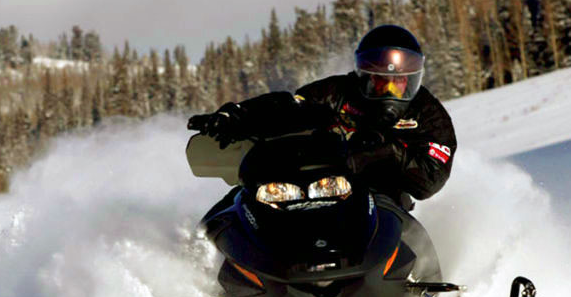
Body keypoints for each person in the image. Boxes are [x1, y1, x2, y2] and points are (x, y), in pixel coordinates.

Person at [188, 24, 456, 212]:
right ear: (365, 76)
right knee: (243, 201)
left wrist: (388, 152)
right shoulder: (339, 92)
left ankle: (420, 273)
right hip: (313, 186)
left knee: (403, 224)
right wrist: (238, 115)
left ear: (411, 81)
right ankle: (204, 253)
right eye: (379, 82)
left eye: (396, 83)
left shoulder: (429, 114)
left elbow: (430, 180)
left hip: (382, 197)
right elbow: (289, 106)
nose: (387, 91)